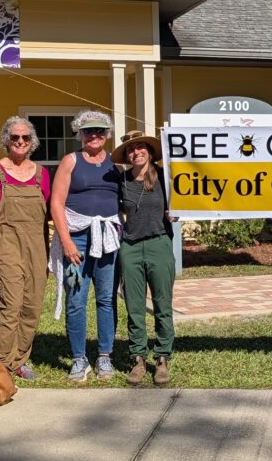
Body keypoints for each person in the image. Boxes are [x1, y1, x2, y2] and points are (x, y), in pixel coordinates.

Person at [48, 109, 122, 383]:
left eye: (100, 131)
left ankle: (105, 355)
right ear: (79, 133)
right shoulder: (71, 161)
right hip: (77, 237)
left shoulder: (116, 163)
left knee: (106, 298)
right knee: (77, 299)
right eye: (89, 131)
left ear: (106, 135)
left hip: (108, 239)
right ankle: (79, 359)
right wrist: (66, 241)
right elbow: (56, 203)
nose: (94, 136)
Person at [0, 116, 51, 381]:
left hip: (36, 245)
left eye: (25, 138)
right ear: (6, 141)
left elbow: (48, 214)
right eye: (15, 138)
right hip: (6, 243)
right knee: (10, 304)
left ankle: (19, 359)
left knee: (32, 305)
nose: (20, 142)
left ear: (32, 142)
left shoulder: (42, 174)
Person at [112, 130, 176, 386]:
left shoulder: (164, 176)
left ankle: (162, 357)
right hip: (130, 246)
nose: (136, 152)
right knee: (134, 306)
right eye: (130, 149)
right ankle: (137, 357)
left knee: (162, 304)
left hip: (159, 242)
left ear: (149, 152)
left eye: (140, 147)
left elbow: (185, 198)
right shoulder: (122, 180)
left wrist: (178, 211)